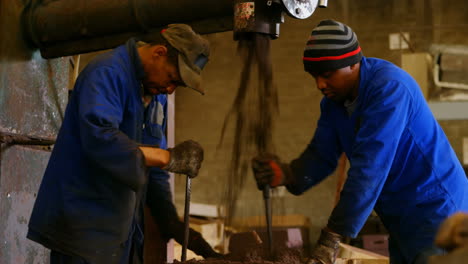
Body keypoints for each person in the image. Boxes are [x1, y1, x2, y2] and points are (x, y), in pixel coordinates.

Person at [251, 19, 468, 264]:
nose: (320, 84)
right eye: (314, 76)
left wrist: (331, 237)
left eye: (327, 74)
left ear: (353, 64)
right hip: (401, 218)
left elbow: (370, 168)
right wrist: (287, 175)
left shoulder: (389, 88)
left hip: (438, 211)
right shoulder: (333, 104)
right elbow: (321, 155)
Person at [27, 24, 219, 264]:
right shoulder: (108, 73)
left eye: (177, 86)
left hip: (123, 231)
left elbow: (155, 167)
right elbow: (101, 139)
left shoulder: (156, 95)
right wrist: (168, 157)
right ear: (159, 53)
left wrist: (171, 222)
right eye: (172, 78)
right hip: (83, 228)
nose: (170, 89)